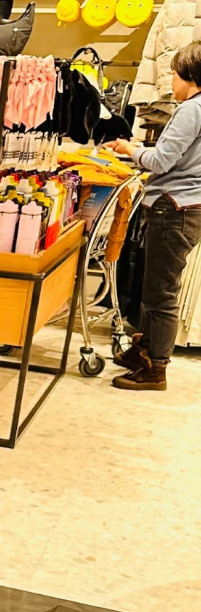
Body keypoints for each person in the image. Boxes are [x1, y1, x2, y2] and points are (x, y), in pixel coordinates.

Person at [110, 41, 201, 390]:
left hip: (173, 207)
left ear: (190, 76)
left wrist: (131, 149)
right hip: (185, 207)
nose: (170, 81)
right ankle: (145, 351)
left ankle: (155, 369)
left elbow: (161, 161)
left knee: (160, 292)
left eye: (174, 74)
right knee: (155, 286)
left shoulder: (191, 110)